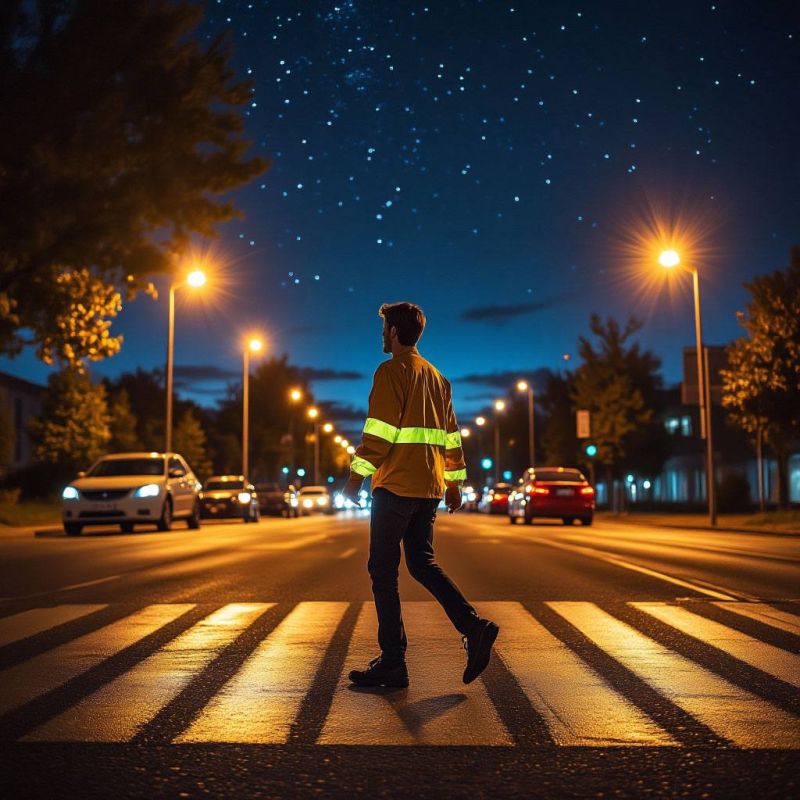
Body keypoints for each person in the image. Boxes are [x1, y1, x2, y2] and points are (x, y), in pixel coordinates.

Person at [343, 302, 499, 688]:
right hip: (428, 489)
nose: (381, 336)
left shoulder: (391, 371)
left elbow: (379, 434)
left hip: (395, 484)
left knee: (383, 570)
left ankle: (394, 662)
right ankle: (473, 626)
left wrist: (355, 476)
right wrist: (454, 483)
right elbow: (451, 437)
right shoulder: (437, 378)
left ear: (394, 332)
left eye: (383, 330)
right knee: (421, 563)